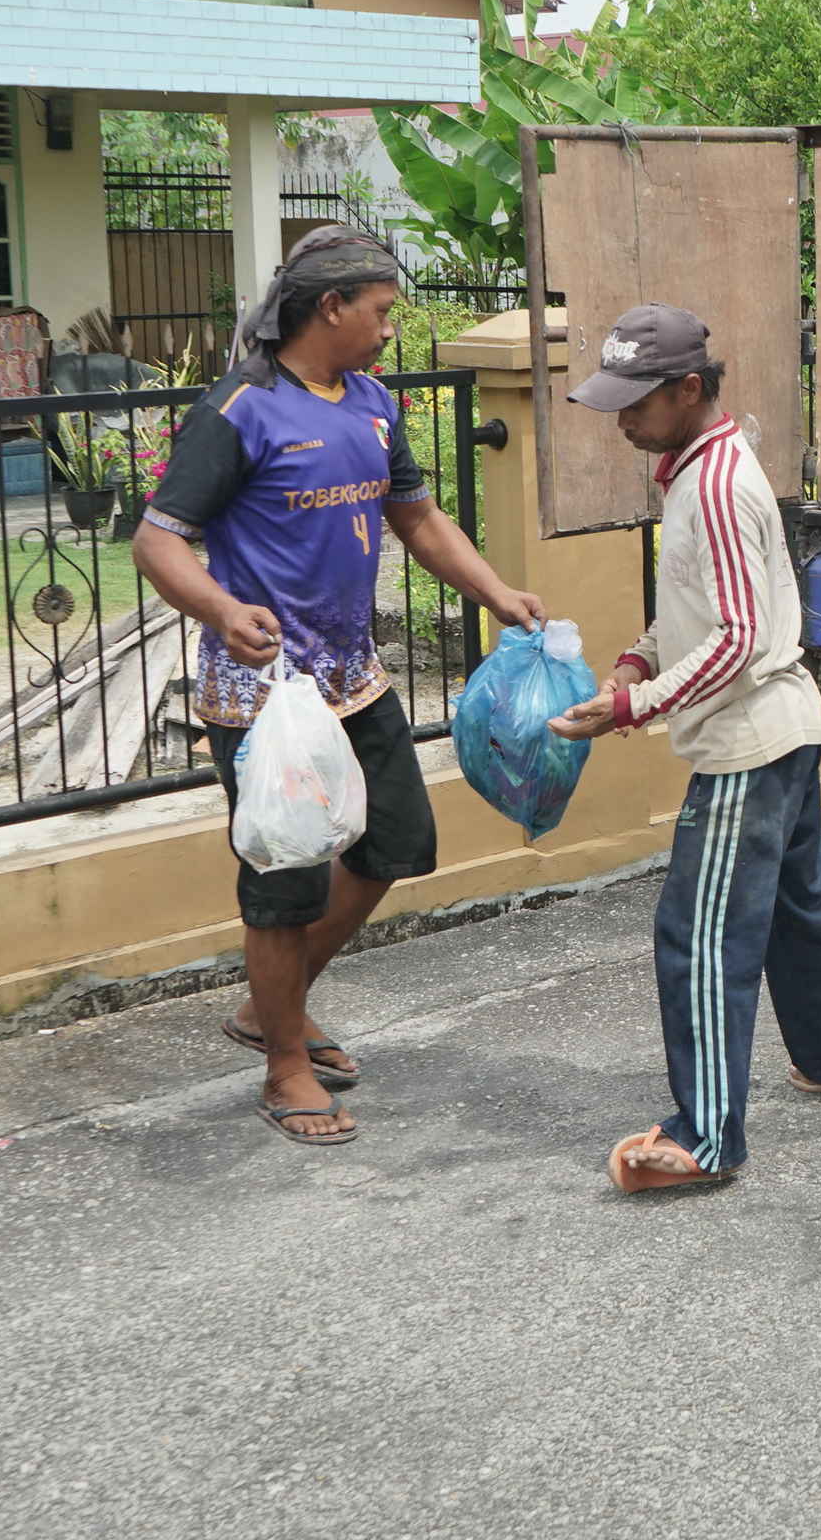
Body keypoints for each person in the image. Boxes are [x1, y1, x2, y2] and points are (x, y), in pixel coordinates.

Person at [132, 228, 545, 1145]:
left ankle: (271, 1007)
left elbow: (419, 519)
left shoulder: (371, 404)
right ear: (330, 307)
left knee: (397, 842)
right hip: (265, 696)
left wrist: (497, 592)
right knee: (284, 878)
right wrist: (222, 610)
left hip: (354, 681)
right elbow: (158, 540)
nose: (390, 330)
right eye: (383, 311)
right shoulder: (240, 409)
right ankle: (285, 1064)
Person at [549, 303, 821, 1193]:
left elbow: (739, 636)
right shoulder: (695, 468)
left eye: (637, 401)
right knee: (797, 911)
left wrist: (634, 705)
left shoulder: (711, 483)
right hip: (781, 729)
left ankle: (704, 1139)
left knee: (701, 936)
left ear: (690, 390)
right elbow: (702, 611)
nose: (621, 418)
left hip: (748, 740)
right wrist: (638, 654)